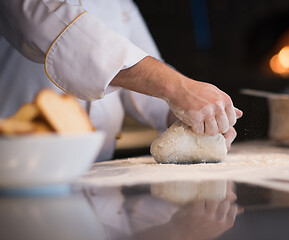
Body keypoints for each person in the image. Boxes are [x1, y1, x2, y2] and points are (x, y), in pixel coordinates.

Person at [0, 0, 242, 161]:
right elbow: (49, 26)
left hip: (98, 174)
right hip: (18, 169)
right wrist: (178, 88)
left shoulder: (119, 3)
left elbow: (147, 75)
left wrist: (192, 119)